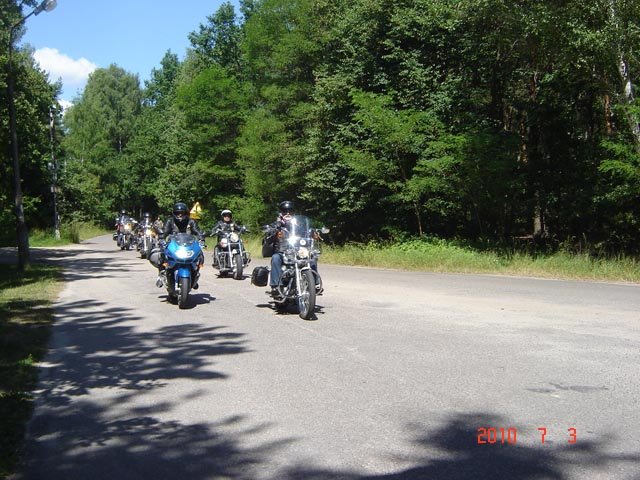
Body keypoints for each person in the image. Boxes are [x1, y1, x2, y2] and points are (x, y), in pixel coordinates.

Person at [264, 200, 321, 297]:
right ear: (281, 213)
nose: (288, 213)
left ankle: (315, 284)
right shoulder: (276, 225)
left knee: (312, 259)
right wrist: (272, 231)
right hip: (282, 252)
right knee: (275, 258)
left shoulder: (298, 225)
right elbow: (268, 234)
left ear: (293, 213)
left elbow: (307, 231)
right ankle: (276, 286)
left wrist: (313, 232)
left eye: (290, 211)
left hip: (298, 251)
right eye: (285, 211)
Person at [156, 202, 205, 287]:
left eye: (182, 213)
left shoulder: (191, 221)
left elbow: (197, 231)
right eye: (177, 213)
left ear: (186, 213)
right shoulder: (170, 221)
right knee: (162, 254)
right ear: (174, 213)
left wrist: (202, 238)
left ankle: (195, 273)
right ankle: (161, 274)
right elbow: (165, 231)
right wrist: (161, 238)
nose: (180, 215)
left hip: (188, 245)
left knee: (200, 255)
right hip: (173, 244)